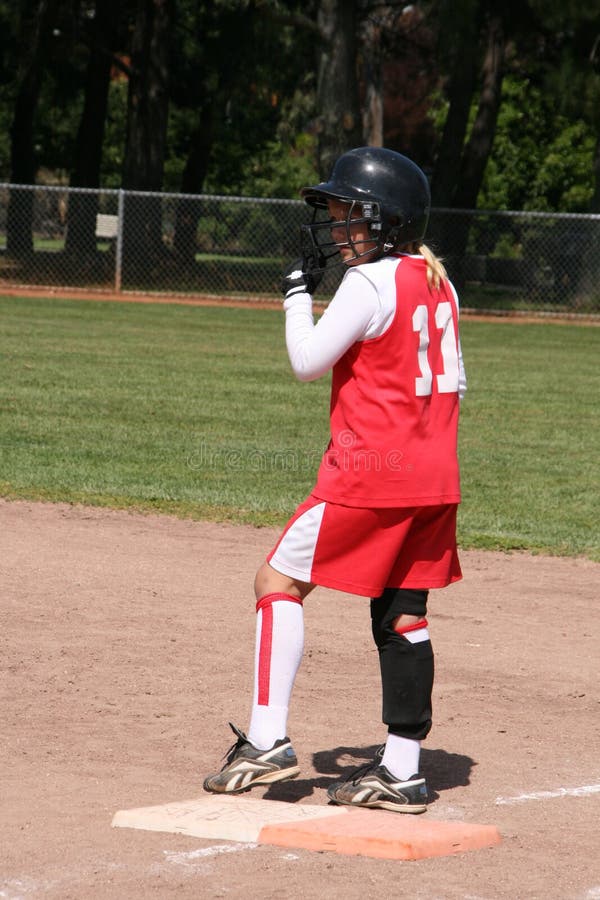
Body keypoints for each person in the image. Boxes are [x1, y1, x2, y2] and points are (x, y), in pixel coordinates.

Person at [203, 146, 467, 814]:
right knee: (404, 615)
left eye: (353, 213)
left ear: (387, 220)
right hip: (435, 479)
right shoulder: (438, 279)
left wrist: (297, 293)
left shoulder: (371, 282)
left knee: (276, 583)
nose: (341, 225)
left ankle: (265, 740)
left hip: (370, 476)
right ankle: (402, 771)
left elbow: (306, 361)